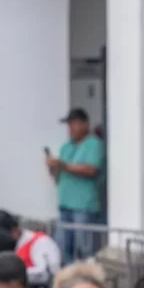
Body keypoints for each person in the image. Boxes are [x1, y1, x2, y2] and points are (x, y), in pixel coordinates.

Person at [46, 107, 105, 263]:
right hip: (65, 204)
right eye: (69, 125)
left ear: (85, 124)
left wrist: (63, 165)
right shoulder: (67, 146)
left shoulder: (94, 144)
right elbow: (58, 177)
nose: (70, 128)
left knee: (86, 249)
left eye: (74, 124)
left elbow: (91, 170)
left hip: (84, 205)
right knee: (64, 248)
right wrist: (52, 167)